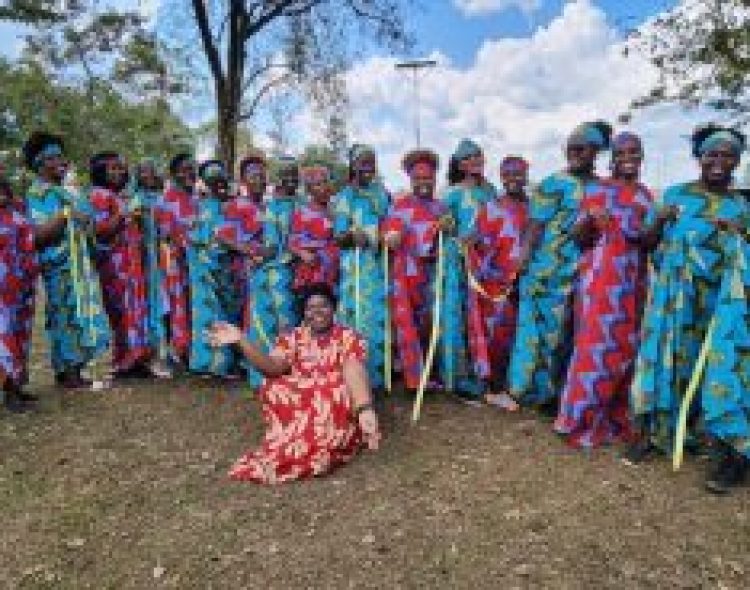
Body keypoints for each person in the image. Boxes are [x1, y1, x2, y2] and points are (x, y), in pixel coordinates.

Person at [629, 124, 750, 494]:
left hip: (722, 304)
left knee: (717, 366)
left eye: (726, 154)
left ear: (736, 161)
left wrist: (738, 233)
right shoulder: (676, 195)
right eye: (711, 153)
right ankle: (657, 431)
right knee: (669, 357)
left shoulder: (742, 206)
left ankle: (721, 445)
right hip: (677, 299)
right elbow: (645, 244)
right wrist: (663, 218)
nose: (718, 161)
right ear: (700, 157)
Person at [207, 283, 381, 484]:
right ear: (304, 313)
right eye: (310, 307)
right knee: (272, 387)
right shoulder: (293, 338)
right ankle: (292, 442)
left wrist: (365, 408)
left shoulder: (349, 337)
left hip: (334, 401)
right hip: (303, 399)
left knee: (333, 391)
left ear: (333, 309)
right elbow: (272, 368)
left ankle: (329, 443)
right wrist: (241, 340)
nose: (317, 311)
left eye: (323, 305)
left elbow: (353, 368)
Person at [555, 132, 654, 447]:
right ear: (612, 157)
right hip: (599, 280)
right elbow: (578, 237)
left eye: (634, 151)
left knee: (625, 349)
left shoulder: (646, 196)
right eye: (621, 152)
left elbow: (649, 243)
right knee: (592, 347)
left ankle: (613, 417)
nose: (628, 157)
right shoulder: (598, 190)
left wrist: (661, 223)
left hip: (633, 280)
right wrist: (589, 221)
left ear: (641, 155)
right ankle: (577, 420)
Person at [507, 121, 613, 412]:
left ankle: (558, 392)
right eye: (571, 148)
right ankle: (523, 391)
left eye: (582, 148)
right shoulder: (554, 182)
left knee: (566, 335)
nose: (575, 153)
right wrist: (524, 258)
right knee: (533, 332)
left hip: (584, 272)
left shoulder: (604, 187)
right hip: (546, 270)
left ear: (596, 152)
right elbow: (534, 224)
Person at [23, 132, 109, 389]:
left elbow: (91, 223)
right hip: (59, 267)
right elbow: (38, 235)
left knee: (82, 316)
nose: (62, 161)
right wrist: (65, 214)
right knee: (63, 316)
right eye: (54, 157)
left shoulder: (70, 191)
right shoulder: (37, 193)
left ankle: (77, 368)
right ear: (40, 163)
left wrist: (84, 217)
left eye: (62, 156)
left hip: (81, 266)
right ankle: (67, 370)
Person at [382, 149, 450, 391]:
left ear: (434, 178)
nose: (423, 183)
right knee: (406, 324)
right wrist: (391, 236)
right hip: (404, 274)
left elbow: (447, 240)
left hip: (430, 275)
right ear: (411, 180)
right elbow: (390, 232)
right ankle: (414, 380)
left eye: (428, 178)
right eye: (418, 179)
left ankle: (429, 372)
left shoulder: (441, 208)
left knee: (428, 323)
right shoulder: (399, 206)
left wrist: (446, 230)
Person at [466, 156, 530, 410]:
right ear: (501, 177)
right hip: (497, 286)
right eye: (507, 174)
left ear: (525, 176)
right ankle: (494, 388)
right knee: (498, 336)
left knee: (522, 337)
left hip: (529, 282)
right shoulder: (491, 208)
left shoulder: (535, 208)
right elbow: (474, 241)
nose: (513, 178)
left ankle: (518, 386)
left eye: (518, 173)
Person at [440, 139, 497, 401]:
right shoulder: (451, 193)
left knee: (487, 317)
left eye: (478, 155)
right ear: (460, 164)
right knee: (462, 317)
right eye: (468, 157)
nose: (475, 160)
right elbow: (442, 228)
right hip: (461, 263)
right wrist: (452, 231)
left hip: (488, 263)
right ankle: (461, 377)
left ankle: (486, 370)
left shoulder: (492, 191)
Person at [89, 152, 153, 379]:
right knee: (121, 311)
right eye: (112, 168)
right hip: (115, 264)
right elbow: (100, 231)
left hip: (132, 262)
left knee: (134, 309)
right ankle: (124, 362)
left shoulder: (120, 195)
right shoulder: (99, 195)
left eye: (121, 168)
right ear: (100, 171)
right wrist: (123, 213)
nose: (119, 172)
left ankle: (136, 359)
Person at [332, 144, 390, 390]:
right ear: (354, 166)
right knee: (355, 318)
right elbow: (338, 236)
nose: (368, 168)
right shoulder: (345, 196)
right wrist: (353, 236)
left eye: (372, 163)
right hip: (354, 266)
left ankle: (377, 376)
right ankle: (352, 375)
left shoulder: (382, 193)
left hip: (378, 264)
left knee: (377, 317)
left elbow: (390, 221)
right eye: (363, 163)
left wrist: (384, 234)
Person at [216, 154, 273, 387]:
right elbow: (222, 235)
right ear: (243, 180)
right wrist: (247, 251)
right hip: (245, 267)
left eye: (262, 175)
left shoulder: (270, 205)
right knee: (249, 313)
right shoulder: (236, 205)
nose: (259, 179)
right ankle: (249, 362)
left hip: (268, 265)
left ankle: (266, 359)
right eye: (253, 175)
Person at [187, 160, 236, 377]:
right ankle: (209, 364)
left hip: (222, 268)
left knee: (224, 312)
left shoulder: (227, 206)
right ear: (206, 183)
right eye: (213, 181)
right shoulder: (203, 207)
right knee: (209, 313)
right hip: (205, 270)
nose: (219, 185)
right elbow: (203, 239)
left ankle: (224, 362)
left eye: (221, 180)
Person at [155, 153, 199, 369]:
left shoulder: (199, 198)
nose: (190, 172)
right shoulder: (166, 200)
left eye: (192, 168)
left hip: (198, 264)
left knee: (194, 305)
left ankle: (194, 349)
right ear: (174, 174)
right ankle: (177, 350)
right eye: (184, 169)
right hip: (174, 263)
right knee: (174, 305)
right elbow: (164, 237)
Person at [0, 172, 38, 411]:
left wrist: (30, 272)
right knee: (4, 340)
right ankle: (9, 392)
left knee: (20, 336)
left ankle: (17, 386)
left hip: (21, 287)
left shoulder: (19, 217)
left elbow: (30, 246)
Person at [132, 159, 172, 378]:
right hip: (146, 260)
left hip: (164, 256)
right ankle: (155, 357)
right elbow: (136, 229)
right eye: (143, 171)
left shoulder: (161, 197)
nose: (148, 175)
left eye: (151, 170)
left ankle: (165, 352)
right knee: (154, 307)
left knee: (167, 306)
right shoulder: (137, 199)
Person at [263, 154, 300, 335]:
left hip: (308, 269)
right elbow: (271, 244)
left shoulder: (304, 203)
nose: (291, 178)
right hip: (282, 268)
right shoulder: (273, 207)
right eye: (286, 174)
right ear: (279, 178)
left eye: (294, 174)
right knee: (286, 320)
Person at [289, 161, 339, 292]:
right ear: (309, 189)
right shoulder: (303, 214)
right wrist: (303, 253)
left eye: (326, 182)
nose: (323, 187)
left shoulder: (338, 211)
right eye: (317, 184)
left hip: (334, 274)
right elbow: (293, 243)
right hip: (312, 273)